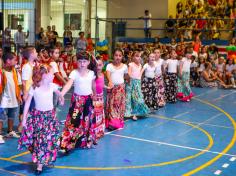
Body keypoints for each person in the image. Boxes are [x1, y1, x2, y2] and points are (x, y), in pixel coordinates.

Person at [18, 65, 61, 174]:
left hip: (50, 118)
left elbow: (58, 93)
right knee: (41, 141)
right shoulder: (34, 87)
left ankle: (43, 160)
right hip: (38, 118)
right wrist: (24, 118)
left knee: (48, 140)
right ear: (44, 75)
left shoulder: (52, 86)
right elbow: (27, 102)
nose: (53, 75)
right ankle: (39, 165)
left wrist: (61, 98)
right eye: (51, 73)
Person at [60, 51, 97, 151]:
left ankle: (85, 141)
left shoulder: (91, 73)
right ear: (77, 62)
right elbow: (68, 84)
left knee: (87, 120)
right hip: (77, 102)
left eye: (84, 61)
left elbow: (93, 85)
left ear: (88, 62)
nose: (82, 64)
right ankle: (67, 143)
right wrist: (61, 94)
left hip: (88, 101)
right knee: (73, 120)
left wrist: (95, 94)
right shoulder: (74, 73)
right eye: (80, 61)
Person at [0, 52, 22, 144]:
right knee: (1, 117)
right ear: (8, 61)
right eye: (14, 59)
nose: (16, 61)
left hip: (14, 98)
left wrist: (19, 96)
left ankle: (10, 131)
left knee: (11, 115)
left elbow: (19, 84)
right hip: (4, 100)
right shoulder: (1, 73)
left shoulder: (15, 72)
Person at [106, 49, 128, 130]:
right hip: (112, 88)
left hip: (121, 88)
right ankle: (112, 122)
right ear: (113, 56)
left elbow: (126, 76)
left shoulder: (125, 66)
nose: (118, 57)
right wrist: (110, 81)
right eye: (116, 55)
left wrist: (129, 78)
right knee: (112, 105)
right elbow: (108, 75)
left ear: (122, 57)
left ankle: (118, 121)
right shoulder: (109, 66)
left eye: (120, 55)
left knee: (119, 105)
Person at [125, 51, 149, 120]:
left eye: (139, 56)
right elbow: (129, 74)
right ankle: (133, 114)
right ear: (133, 57)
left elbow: (140, 75)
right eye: (136, 56)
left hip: (137, 84)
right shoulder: (131, 64)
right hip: (131, 83)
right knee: (131, 99)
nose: (138, 58)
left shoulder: (140, 65)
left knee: (138, 99)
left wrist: (139, 83)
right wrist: (129, 81)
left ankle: (139, 112)